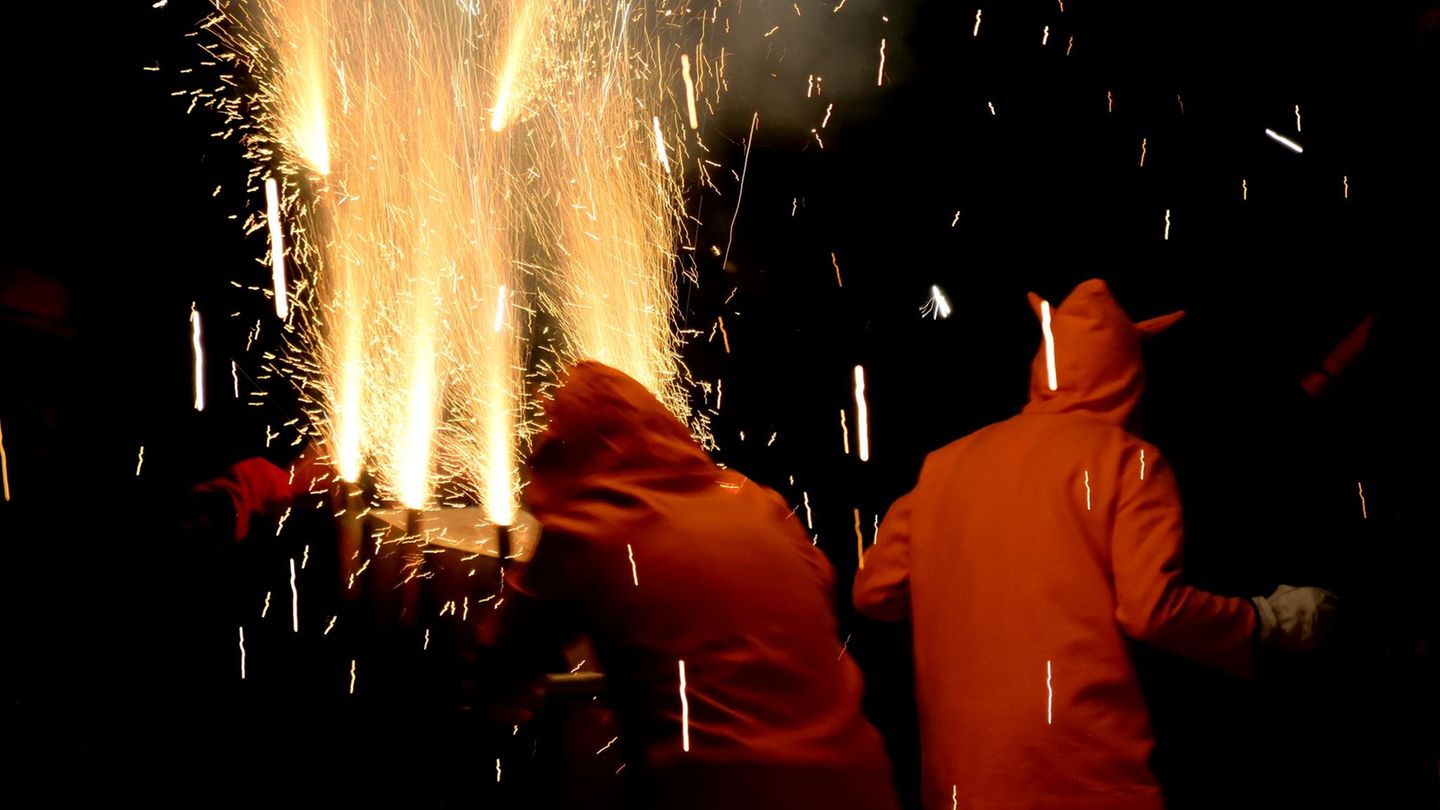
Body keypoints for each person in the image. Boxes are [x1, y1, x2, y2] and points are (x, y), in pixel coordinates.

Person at [853, 279, 1335, 809]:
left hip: (961, 781)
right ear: (1129, 371)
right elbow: (1151, 611)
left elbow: (874, 594)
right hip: (1085, 777)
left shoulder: (945, 465)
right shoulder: (1128, 461)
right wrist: (1266, 620)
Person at [491, 361, 899, 810]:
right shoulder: (749, 497)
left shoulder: (590, 527)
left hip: (732, 791)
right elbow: (819, 588)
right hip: (860, 782)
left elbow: (505, 655)